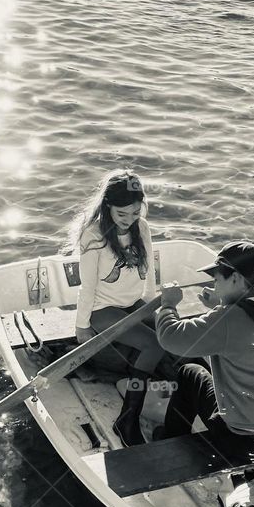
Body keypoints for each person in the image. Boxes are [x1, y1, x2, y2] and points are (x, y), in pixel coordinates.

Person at [154, 241, 254, 460]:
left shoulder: (227, 320)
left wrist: (168, 305)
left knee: (189, 373)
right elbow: (244, 322)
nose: (214, 285)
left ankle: (170, 441)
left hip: (245, 441)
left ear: (235, 278)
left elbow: (170, 337)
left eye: (217, 280)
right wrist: (221, 303)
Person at [69, 170, 169, 447]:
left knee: (169, 335)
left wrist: (151, 307)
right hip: (102, 308)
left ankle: (165, 400)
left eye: (135, 212)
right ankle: (127, 420)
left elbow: (149, 272)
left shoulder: (142, 227)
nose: (129, 220)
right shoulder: (93, 236)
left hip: (133, 304)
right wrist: (82, 325)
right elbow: (87, 286)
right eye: (122, 214)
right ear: (107, 206)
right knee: (152, 345)